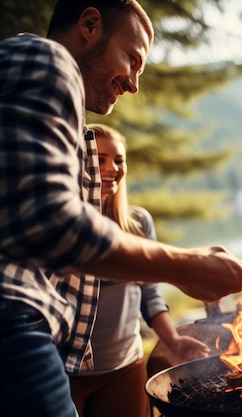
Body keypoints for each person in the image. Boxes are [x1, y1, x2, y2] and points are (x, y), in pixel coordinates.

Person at [0, 2, 242, 416]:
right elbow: (54, 226)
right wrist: (186, 266)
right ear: (89, 24)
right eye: (132, 58)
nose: (134, 84)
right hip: (12, 319)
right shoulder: (47, 58)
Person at [68, 124, 212, 417]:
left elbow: (150, 293)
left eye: (119, 160)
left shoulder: (138, 223)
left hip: (125, 367)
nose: (113, 168)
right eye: (100, 159)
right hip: (66, 370)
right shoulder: (65, 227)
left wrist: (173, 339)